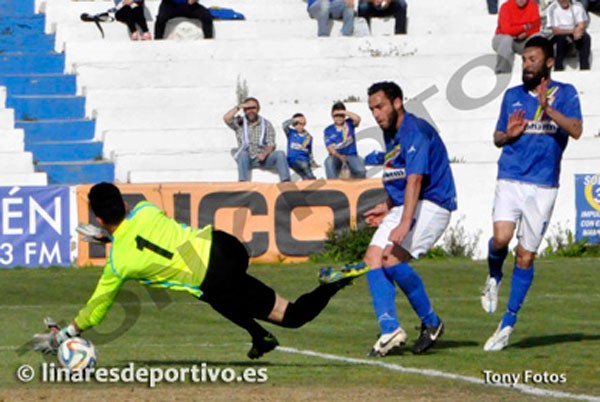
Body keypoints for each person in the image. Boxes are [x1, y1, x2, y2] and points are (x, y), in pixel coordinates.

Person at [31, 183, 368, 359]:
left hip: (213, 277)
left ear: (100, 219)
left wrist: (64, 334)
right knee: (220, 294)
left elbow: (96, 309)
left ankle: (281, 319)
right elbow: (140, 233)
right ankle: (263, 332)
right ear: (123, 203)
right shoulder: (146, 209)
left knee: (282, 314)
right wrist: (111, 235)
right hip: (225, 245)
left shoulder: (119, 263)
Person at [480, 36, 582, 351]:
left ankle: (508, 323)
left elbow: (576, 130)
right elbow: (497, 137)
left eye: (533, 59)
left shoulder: (565, 94)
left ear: (549, 62)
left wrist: (548, 110)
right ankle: (494, 276)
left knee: (525, 256)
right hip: (511, 177)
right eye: (525, 59)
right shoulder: (512, 96)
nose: (527, 65)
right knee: (500, 239)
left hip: (544, 184)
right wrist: (507, 135)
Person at [362, 81, 457, 356]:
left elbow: (415, 179)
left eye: (380, 106)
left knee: (391, 259)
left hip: (434, 204)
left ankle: (431, 322)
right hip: (409, 205)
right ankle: (390, 329)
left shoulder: (414, 130)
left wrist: (404, 222)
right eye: (372, 109)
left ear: (397, 102)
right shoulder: (391, 134)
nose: (376, 114)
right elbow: (402, 179)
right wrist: (388, 205)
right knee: (372, 258)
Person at [223, 98, 291, 182]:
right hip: (246, 158)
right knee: (243, 154)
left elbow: (271, 144)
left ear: (258, 109)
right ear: (244, 110)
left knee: (280, 154)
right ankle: (243, 183)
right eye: (247, 108)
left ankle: (286, 182)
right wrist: (238, 107)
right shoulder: (240, 122)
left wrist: (264, 154)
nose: (250, 111)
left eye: (253, 108)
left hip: (262, 158)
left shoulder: (266, 124)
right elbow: (226, 118)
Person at [492, 0, 541, 74]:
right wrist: (524, 27)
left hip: (524, 39)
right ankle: (503, 71)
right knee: (507, 39)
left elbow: (536, 27)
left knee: (537, 38)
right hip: (503, 38)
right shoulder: (506, 6)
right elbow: (506, 30)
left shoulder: (533, 6)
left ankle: (535, 69)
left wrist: (526, 33)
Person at [323, 102, 366, 179]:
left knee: (361, 170)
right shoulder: (328, 130)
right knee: (328, 162)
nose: (339, 118)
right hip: (336, 155)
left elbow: (357, 118)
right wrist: (340, 156)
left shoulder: (349, 123)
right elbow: (330, 148)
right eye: (336, 115)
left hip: (351, 154)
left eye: (341, 115)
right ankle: (334, 185)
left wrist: (343, 112)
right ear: (332, 116)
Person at [546, 0, 591, 70]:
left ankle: (584, 67)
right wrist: (573, 31)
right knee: (561, 39)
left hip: (574, 32)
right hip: (558, 34)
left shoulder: (577, 5)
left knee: (586, 38)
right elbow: (555, 30)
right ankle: (558, 68)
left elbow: (581, 25)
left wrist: (577, 32)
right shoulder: (552, 8)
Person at [283, 113, 318, 180]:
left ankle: (310, 180)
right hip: (292, 160)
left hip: (304, 159)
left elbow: (309, 151)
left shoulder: (308, 137)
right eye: (296, 124)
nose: (298, 126)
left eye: (301, 124)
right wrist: (294, 120)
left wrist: (312, 162)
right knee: (303, 165)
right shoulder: (291, 133)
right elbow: (284, 125)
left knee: (305, 165)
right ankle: (311, 179)